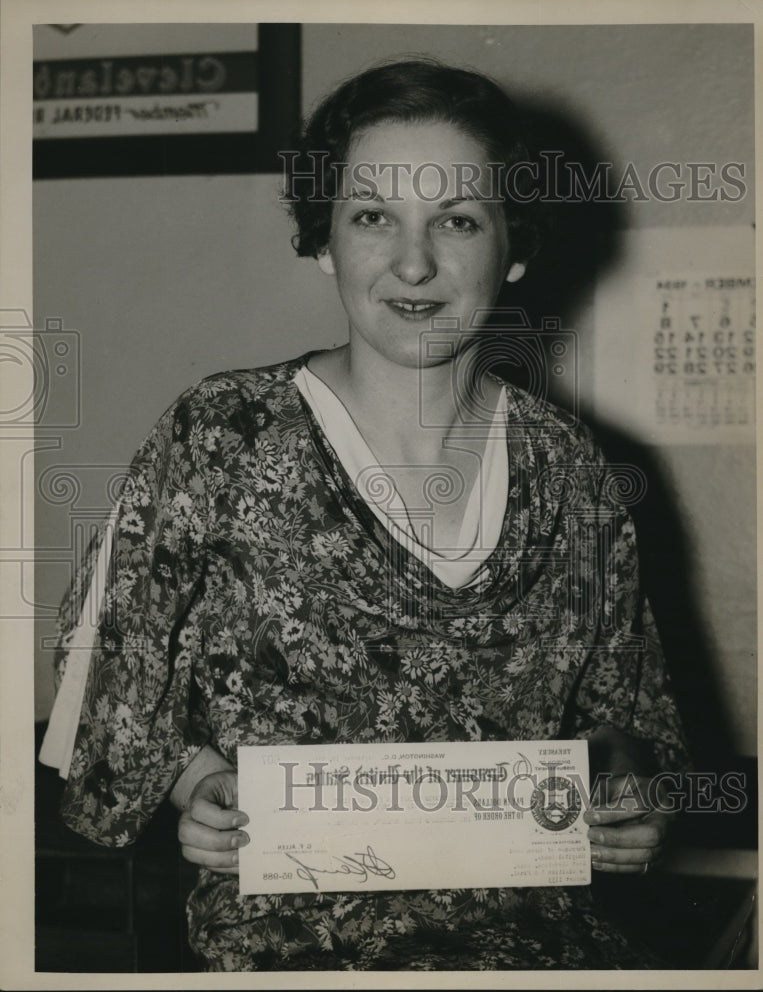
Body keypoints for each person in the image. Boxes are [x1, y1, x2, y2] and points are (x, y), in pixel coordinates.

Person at [42, 59, 691, 971]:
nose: (413, 262)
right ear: (323, 240)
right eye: (372, 216)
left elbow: (623, 721)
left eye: (456, 221)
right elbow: (96, 660)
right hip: (287, 949)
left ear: (513, 246)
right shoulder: (221, 436)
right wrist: (199, 787)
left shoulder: (572, 471)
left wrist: (628, 795)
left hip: (537, 948)